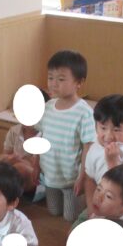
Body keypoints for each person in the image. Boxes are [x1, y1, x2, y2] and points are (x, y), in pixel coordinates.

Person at [37, 50, 96, 223]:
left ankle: (87, 202)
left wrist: (82, 176)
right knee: (53, 212)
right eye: (50, 78)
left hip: (71, 178)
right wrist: (35, 163)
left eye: (61, 79)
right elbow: (40, 136)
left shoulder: (84, 112)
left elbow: (88, 146)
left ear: (79, 83)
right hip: (50, 173)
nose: (54, 84)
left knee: (70, 217)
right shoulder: (48, 107)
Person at [82, 93, 123, 227]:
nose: (108, 136)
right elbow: (90, 179)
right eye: (103, 128)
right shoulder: (95, 147)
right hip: (102, 204)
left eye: (117, 130)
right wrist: (91, 208)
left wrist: (113, 162)